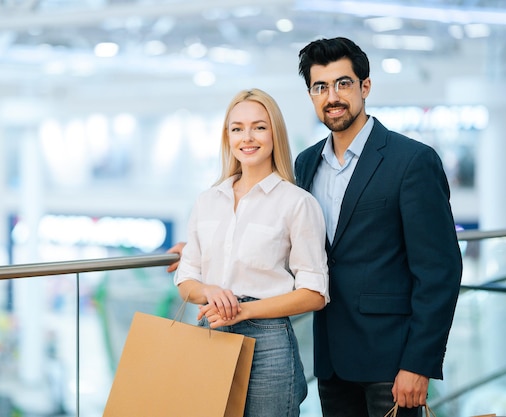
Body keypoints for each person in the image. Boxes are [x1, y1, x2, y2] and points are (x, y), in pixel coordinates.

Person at [294, 37, 463, 416]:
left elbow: (439, 270)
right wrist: (199, 249)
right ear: (311, 94)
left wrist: (419, 363)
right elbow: (280, 233)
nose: (332, 96)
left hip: (393, 362)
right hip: (332, 360)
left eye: (343, 83)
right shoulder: (306, 164)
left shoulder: (412, 161)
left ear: (365, 87)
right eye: (320, 87)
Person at [173, 88, 329, 417]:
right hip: (211, 332)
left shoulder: (297, 203)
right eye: (237, 128)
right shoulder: (207, 201)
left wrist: (245, 312)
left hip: (268, 340)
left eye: (259, 126)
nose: (248, 137)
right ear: (227, 137)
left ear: (275, 134)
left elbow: (314, 293)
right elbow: (186, 279)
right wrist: (208, 290)